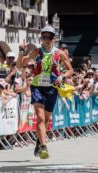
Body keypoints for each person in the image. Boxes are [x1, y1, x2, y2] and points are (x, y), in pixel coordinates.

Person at [18, 25, 73, 159]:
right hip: (37, 87)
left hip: (52, 88)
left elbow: (71, 71)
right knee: (40, 118)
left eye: (49, 37)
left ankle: (39, 141)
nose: (46, 39)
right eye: (44, 37)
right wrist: (21, 51)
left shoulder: (59, 53)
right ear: (41, 38)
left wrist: (62, 77)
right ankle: (44, 147)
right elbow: (20, 65)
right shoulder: (36, 52)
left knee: (46, 120)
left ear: (54, 39)